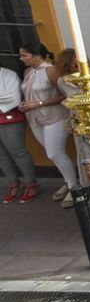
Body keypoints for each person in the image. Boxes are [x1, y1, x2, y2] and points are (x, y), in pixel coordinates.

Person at [17, 43, 77, 205]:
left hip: (55, 116)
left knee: (55, 153)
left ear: (37, 55)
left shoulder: (51, 71)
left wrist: (39, 103)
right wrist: (25, 103)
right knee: (52, 153)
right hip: (36, 118)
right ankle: (68, 181)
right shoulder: (28, 72)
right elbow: (30, 92)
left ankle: (74, 188)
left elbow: (66, 95)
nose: (21, 58)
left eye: (24, 55)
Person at [0, 63, 37, 204]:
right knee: (1, 156)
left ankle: (30, 183)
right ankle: (13, 184)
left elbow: (12, 97)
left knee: (18, 152)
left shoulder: (8, 74)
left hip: (10, 118)